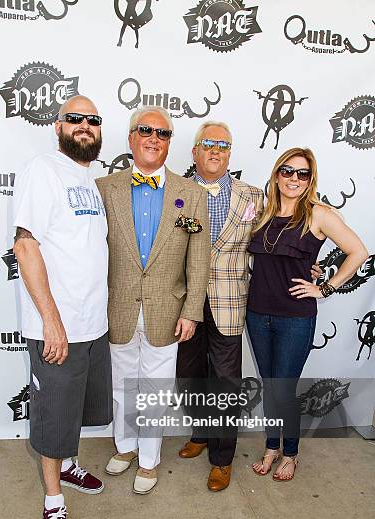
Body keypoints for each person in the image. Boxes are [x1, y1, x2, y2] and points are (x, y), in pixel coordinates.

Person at [13, 95, 112, 519]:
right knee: (54, 419)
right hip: (59, 328)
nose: (85, 127)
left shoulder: (88, 178)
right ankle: (53, 500)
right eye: (76, 119)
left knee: (75, 411)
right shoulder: (42, 170)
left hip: (93, 326)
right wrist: (51, 322)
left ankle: (69, 465)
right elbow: (26, 247)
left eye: (93, 121)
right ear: (58, 126)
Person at [96, 106, 210, 495]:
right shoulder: (103, 189)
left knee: (156, 387)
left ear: (169, 143)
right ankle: (125, 447)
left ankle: (148, 460)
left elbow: (199, 257)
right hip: (118, 306)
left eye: (162, 134)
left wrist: (193, 310)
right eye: (145, 130)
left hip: (168, 308)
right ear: (131, 138)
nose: (153, 139)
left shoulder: (190, 194)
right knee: (123, 384)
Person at [246, 147, 368, 480]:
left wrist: (324, 287)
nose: (294, 179)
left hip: (295, 317)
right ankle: (272, 447)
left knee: (284, 388)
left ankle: (291, 453)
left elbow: (358, 252)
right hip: (256, 313)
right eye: (287, 171)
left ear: (310, 179)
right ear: (276, 174)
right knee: (271, 386)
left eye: (302, 173)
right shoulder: (263, 211)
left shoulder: (318, 214)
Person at [176, 122, 264, 491]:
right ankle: (201, 431)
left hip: (230, 302)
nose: (216, 151)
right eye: (208, 144)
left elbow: (274, 238)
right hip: (184, 304)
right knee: (190, 377)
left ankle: (222, 458)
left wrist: (305, 261)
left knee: (226, 383)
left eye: (223, 146)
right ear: (195, 151)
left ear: (230, 154)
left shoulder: (254, 196)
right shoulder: (176, 192)